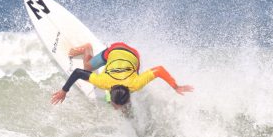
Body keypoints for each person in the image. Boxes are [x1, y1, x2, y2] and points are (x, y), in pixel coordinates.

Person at [51, 42, 194, 108]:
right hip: (115, 50)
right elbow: (77, 72)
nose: (118, 107)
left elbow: (159, 70)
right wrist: (64, 91)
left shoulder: (134, 84)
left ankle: (88, 48)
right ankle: (87, 48)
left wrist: (175, 86)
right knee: (87, 66)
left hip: (132, 54)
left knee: (89, 67)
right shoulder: (103, 82)